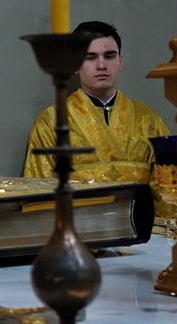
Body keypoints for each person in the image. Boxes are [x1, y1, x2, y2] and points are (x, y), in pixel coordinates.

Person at [23, 21, 170, 213]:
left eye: (109, 56)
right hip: (80, 233)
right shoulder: (52, 121)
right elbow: (39, 194)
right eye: (90, 57)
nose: (101, 65)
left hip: (143, 234)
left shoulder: (148, 119)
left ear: (120, 61)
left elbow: (167, 189)